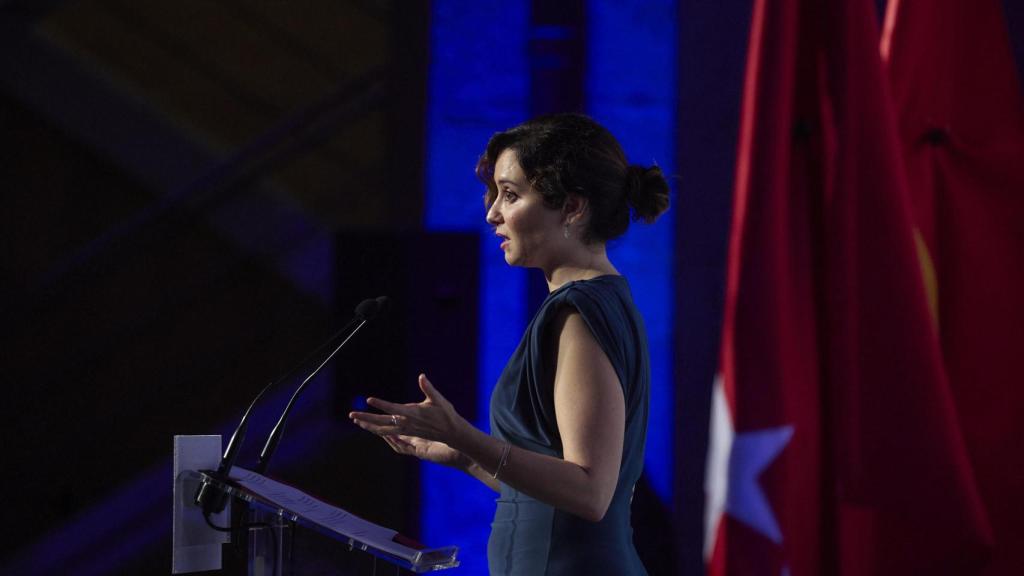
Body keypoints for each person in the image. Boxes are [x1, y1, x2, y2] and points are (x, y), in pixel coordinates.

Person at [349, 113, 669, 575]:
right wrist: (461, 455)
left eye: (511, 195)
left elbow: (589, 492)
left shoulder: (579, 313)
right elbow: (548, 498)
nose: (492, 214)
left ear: (572, 208)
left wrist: (467, 436)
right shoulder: (592, 303)